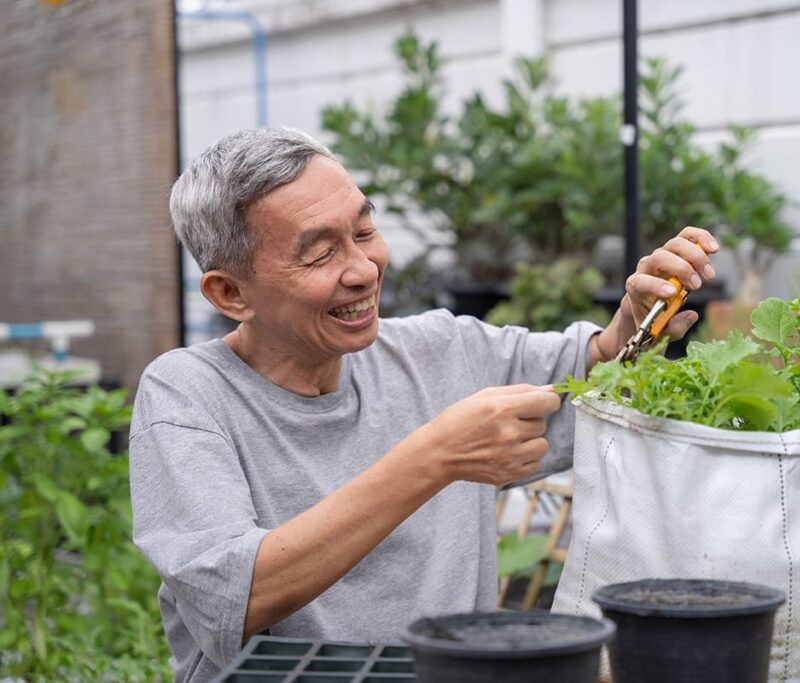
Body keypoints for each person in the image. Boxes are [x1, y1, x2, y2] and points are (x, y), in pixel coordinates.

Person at [129, 126, 718, 682]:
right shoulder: (188, 394)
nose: (362, 270)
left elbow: (589, 370)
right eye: (319, 253)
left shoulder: (437, 349)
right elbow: (236, 596)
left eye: (363, 233)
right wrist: (434, 458)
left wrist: (631, 326)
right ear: (230, 292)